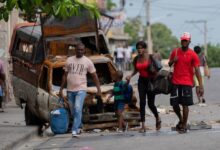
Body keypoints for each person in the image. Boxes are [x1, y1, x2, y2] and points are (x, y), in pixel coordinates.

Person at [59, 43, 101, 137]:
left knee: (78, 108)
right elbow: (65, 75)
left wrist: (99, 89)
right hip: (70, 90)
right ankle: (79, 126)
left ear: (84, 50)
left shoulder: (88, 61)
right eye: (78, 49)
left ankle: (74, 130)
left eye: (82, 50)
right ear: (75, 50)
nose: (80, 51)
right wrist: (61, 89)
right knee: (73, 111)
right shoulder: (69, 60)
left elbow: (94, 76)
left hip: (81, 89)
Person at [168, 32, 204, 133]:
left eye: (186, 40)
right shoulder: (175, 52)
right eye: (183, 40)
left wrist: (200, 85)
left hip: (187, 82)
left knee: (185, 105)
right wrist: (173, 61)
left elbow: (197, 71)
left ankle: (184, 124)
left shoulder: (193, 54)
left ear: (189, 41)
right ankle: (181, 119)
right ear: (181, 40)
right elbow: (169, 63)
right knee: (174, 104)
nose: (184, 42)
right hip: (175, 82)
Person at [126, 41, 161, 132]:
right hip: (141, 81)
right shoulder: (136, 59)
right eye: (138, 48)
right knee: (142, 103)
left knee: (150, 104)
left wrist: (155, 80)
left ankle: (157, 117)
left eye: (141, 48)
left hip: (150, 81)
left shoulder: (150, 57)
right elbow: (135, 70)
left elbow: (158, 69)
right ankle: (143, 125)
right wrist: (130, 75)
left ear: (145, 49)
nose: (139, 50)